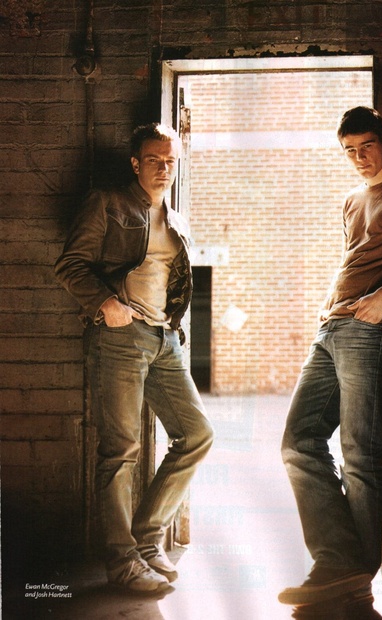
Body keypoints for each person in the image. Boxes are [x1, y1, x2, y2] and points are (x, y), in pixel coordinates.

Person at [55, 123, 214, 593]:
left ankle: (146, 540)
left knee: (197, 435)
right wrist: (106, 303)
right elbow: (70, 265)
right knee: (121, 450)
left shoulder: (177, 220)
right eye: (153, 160)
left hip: (165, 339)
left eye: (170, 161)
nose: (163, 169)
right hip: (120, 338)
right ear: (135, 163)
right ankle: (122, 562)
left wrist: (174, 328)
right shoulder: (108, 204)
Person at [279, 107, 382, 619]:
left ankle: (356, 578)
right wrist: (330, 307)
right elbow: (355, 259)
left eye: (366, 146)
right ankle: (336, 562)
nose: (359, 157)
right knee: (298, 441)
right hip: (332, 328)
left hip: (371, 328)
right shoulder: (351, 200)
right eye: (349, 150)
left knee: (359, 451)